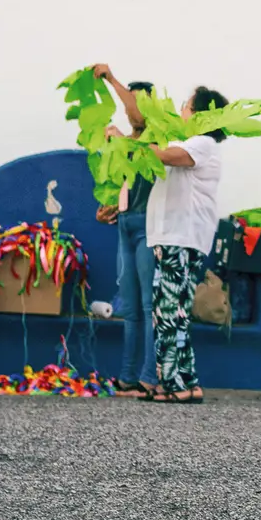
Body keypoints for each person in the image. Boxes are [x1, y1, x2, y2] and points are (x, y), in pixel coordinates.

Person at [144, 85, 229, 403]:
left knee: (168, 311)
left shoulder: (202, 142)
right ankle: (186, 381)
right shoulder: (197, 143)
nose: (181, 111)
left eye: (186, 106)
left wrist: (141, 146)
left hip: (180, 238)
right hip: (178, 238)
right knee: (175, 312)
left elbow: (172, 156)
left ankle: (174, 385)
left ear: (200, 114)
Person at [91, 66, 160, 397]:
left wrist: (110, 78)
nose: (131, 111)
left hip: (149, 227)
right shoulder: (123, 142)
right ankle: (127, 378)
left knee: (148, 307)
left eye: (135, 104)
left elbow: (143, 156)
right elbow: (121, 185)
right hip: (125, 226)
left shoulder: (157, 138)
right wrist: (109, 209)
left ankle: (149, 377)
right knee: (131, 309)